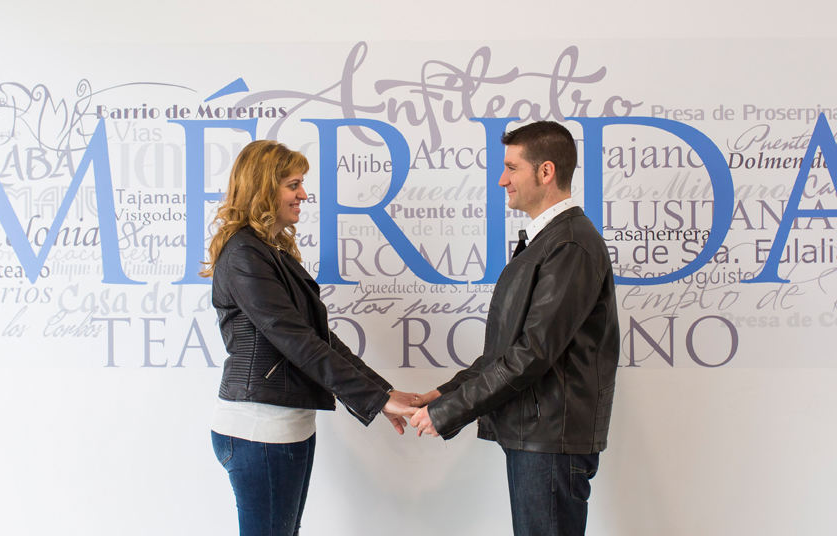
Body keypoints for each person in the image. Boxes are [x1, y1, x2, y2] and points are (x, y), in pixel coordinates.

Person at [409, 121, 620, 536]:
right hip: (539, 436)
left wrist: (449, 411)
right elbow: (510, 347)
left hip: (550, 440)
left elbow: (532, 354)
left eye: (511, 167)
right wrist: (444, 393)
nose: (502, 179)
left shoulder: (570, 245)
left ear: (546, 172)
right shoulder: (551, 240)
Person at [201, 140, 416, 536]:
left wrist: (382, 393)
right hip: (258, 430)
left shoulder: (269, 251)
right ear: (264, 188)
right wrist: (378, 399)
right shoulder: (244, 254)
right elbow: (296, 341)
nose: (303, 194)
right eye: (293, 184)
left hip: (286, 426)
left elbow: (320, 338)